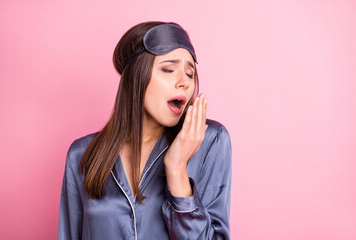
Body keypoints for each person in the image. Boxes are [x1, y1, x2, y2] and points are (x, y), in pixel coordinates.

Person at [58, 21, 232, 240]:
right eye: (168, 69)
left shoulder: (210, 140)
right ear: (136, 77)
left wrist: (177, 169)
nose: (184, 83)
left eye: (190, 74)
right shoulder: (81, 155)